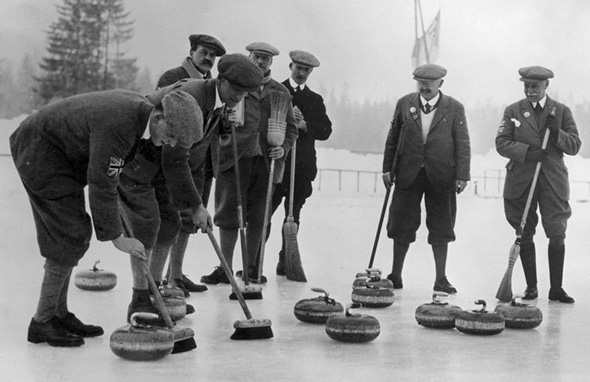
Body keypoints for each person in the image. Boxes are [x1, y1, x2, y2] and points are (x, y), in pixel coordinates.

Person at [10, 88, 200, 347]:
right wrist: (117, 237)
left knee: (72, 235)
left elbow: (110, 173)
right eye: (171, 136)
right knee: (69, 235)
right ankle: (42, 322)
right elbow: (102, 182)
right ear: (159, 118)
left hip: (60, 156)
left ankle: (58, 314)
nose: (172, 144)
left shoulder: (140, 118)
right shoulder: (121, 125)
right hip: (40, 153)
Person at [120, 54, 263, 320]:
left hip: (163, 163)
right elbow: (175, 158)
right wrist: (196, 205)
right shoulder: (193, 97)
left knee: (170, 223)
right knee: (148, 226)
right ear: (221, 80)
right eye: (235, 90)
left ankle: (154, 292)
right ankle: (140, 298)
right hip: (139, 162)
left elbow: (191, 150)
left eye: (244, 93)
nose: (239, 97)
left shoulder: (219, 101)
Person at [201, 42, 298, 284]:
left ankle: (252, 266)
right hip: (233, 158)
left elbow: (292, 131)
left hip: (266, 163)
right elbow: (213, 120)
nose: (261, 62)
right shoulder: (233, 87)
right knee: (229, 213)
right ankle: (225, 267)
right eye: (257, 57)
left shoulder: (280, 93)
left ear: (271, 63)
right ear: (249, 57)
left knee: (259, 216)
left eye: (265, 59)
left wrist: (282, 148)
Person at [382, 63, 470, 294]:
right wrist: (387, 168)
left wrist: (462, 175)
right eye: (421, 82)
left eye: (429, 83)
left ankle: (441, 278)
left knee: (442, 226)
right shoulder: (405, 104)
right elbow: (393, 138)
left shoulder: (454, 108)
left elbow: (462, 143)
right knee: (401, 223)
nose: (425, 86)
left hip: (442, 175)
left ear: (441, 83)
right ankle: (396, 274)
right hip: (408, 173)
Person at [496, 66, 581, 303]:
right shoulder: (513, 111)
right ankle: (531, 287)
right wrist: (527, 153)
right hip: (522, 181)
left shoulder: (561, 112)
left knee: (556, 231)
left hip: (552, 182)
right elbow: (501, 142)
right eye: (526, 86)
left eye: (535, 86)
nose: (530, 91)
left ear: (546, 86)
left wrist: (557, 134)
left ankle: (556, 288)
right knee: (524, 231)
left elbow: (575, 145)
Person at [150, 34, 226, 296]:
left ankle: (176, 274)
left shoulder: (214, 87)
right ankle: (161, 281)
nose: (208, 58)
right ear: (192, 52)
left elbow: (211, 129)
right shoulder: (174, 78)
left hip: (201, 163)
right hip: (175, 163)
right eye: (204, 52)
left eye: (212, 56)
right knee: (172, 218)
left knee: (189, 221)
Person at [267, 50, 332, 275]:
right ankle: (254, 261)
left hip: (302, 168)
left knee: (293, 215)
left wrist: (305, 126)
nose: (302, 73)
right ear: (290, 66)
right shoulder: (275, 91)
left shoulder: (315, 100)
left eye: (307, 70)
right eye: (298, 68)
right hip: (276, 166)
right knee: (264, 213)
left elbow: (325, 130)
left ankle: (287, 258)